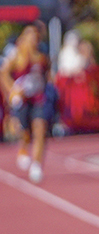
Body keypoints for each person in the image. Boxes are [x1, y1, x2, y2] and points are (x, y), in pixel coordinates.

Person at [0, 23, 51, 183]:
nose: (33, 40)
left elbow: (46, 74)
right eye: (30, 36)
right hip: (22, 100)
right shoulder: (17, 56)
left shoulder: (42, 57)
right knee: (25, 131)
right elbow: (4, 73)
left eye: (36, 37)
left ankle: (36, 164)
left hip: (38, 98)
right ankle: (23, 147)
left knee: (40, 128)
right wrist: (13, 90)